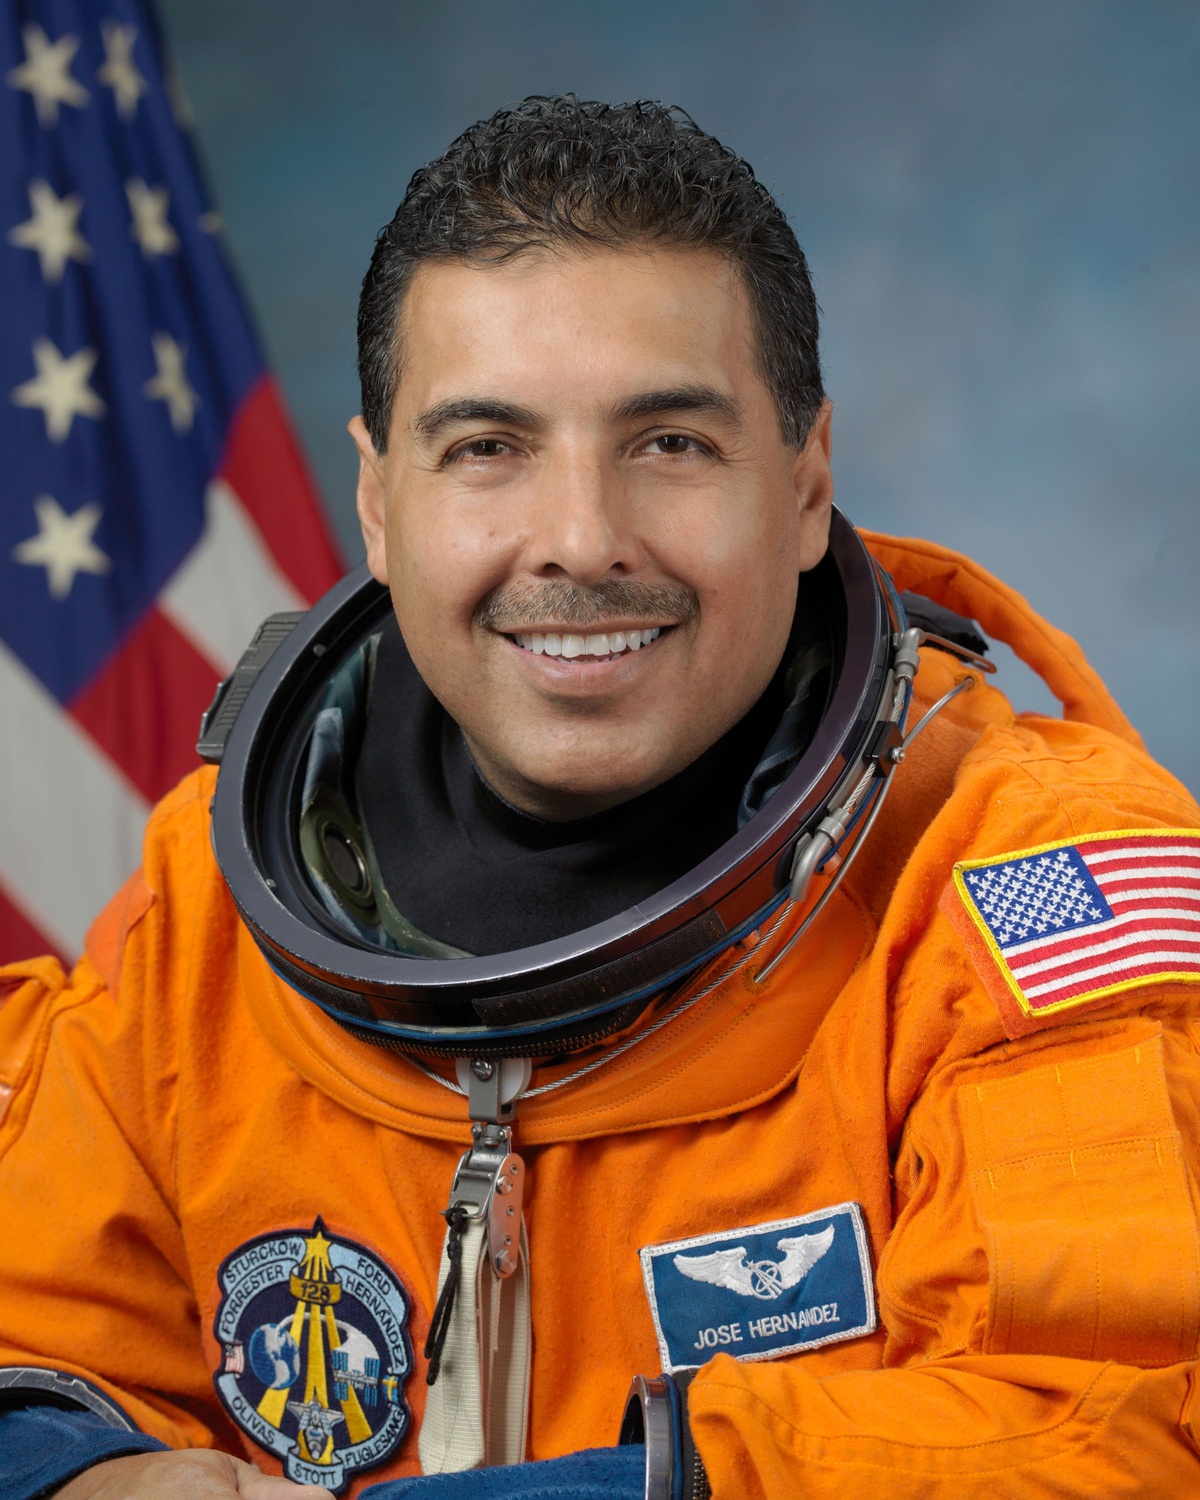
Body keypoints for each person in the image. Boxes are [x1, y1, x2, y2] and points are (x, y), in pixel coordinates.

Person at [2, 96, 1199, 1500]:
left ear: (806, 485)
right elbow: (36, 1331)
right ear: (380, 504)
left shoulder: (1030, 887)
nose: (579, 540)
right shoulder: (217, 905)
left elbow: (1110, 1427)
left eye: (670, 442)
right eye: (486, 448)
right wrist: (83, 1474)